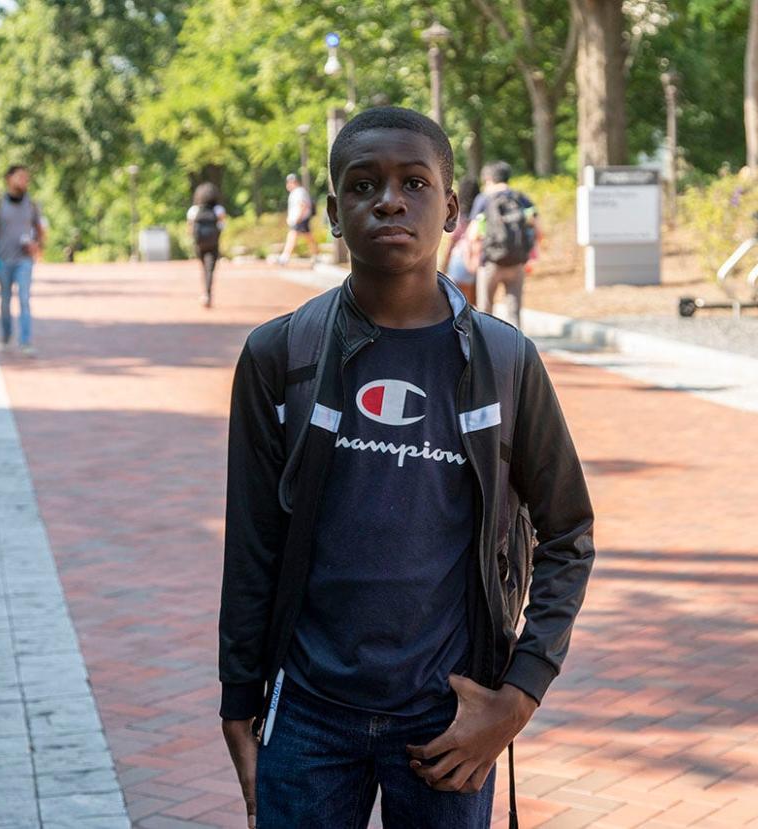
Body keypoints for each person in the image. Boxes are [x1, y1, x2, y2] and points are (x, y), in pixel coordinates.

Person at [219, 106, 594, 829]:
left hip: (448, 718)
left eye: (414, 182)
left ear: (451, 209)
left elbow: (569, 531)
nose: (389, 199)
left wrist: (516, 697)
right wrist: (239, 698)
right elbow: (253, 544)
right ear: (332, 212)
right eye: (364, 184)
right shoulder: (279, 356)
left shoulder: (504, 361)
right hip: (308, 717)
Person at [0, 164, 46, 357]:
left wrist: (36, 246)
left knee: (24, 299)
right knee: (5, 301)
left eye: (27, 178)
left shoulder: (32, 204)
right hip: (3, 259)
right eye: (20, 177)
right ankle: (6, 336)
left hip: (24, 260)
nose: (25, 181)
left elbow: (40, 231)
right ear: (9, 179)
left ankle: (25, 342)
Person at [466, 161, 538, 326]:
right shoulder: (521, 198)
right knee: (514, 311)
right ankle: (517, 349)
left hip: (491, 261)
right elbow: (537, 227)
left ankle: (485, 349)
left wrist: (472, 255)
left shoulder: (484, 199)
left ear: (489, 179)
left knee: (485, 311)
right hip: (517, 261)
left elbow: (473, 233)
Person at [439, 175, 478, 305]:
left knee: (457, 302)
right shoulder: (481, 211)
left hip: (460, 258)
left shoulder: (458, 213)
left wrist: (444, 263)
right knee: (474, 303)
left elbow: (452, 240)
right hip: (477, 259)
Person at [187, 182, 226, 307]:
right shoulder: (218, 210)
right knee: (210, 269)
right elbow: (222, 225)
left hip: (199, 243)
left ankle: (205, 292)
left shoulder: (194, 210)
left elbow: (190, 228)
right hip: (213, 243)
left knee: (204, 268)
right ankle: (208, 294)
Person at [277, 173, 314, 265]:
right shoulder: (295, 192)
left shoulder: (299, 192)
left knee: (292, 236)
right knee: (308, 237)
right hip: (300, 218)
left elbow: (302, 205)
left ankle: (285, 257)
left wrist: (298, 218)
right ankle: (316, 255)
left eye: (290, 182)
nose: (288, 185)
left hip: (300, 218)